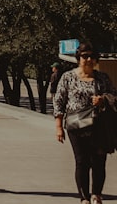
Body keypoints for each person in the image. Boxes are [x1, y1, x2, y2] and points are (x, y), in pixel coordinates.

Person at [54, 42, 115, 204]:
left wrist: (103, 99)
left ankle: (96, 195)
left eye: (91, 56)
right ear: (78, 57)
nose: (88, 59)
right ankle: (84, 197)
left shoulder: (102, 78)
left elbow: (113, 97)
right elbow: (59, 102)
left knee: (99, 160)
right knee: (81, 161)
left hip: (99, 126)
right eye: (84, 56)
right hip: (76, 125)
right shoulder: (68, 77)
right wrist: (59, 127)